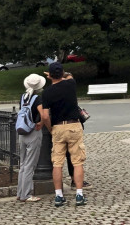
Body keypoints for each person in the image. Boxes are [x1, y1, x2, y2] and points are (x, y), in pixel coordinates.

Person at [39, 62, 88, 207]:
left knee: (57, 163)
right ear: (62, 73)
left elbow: (46, 116)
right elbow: (69, 76)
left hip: (58, 127)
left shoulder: (46, 93)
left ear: (50, 75)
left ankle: (59, 196)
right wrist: (62, 74)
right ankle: (79, 194)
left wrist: (51, 129)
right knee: (78, 161)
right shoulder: (71, 84)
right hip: (74, 125)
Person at [17, 74, 46, 203]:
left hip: (22, 132)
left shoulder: (23, 98)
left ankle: (20, 193)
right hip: (33, 132)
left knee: (22, 164)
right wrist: (41, 124)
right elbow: (44, 115)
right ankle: (27, 194)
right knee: (30, 165)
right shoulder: (37, 99)